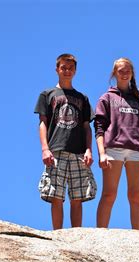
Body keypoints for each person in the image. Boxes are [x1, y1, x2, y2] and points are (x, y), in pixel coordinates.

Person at [34, 53, 96, 230]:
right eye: (63, 68)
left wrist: (89, 150)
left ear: (75, 71)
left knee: (77, 197)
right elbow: (42, 123)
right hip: (56, 150)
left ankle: (76, 234)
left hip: (78, 151)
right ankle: (58, 235)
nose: (67, 71)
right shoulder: (47, 94)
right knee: (56, 196)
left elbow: (86, 127)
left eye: (70, 68)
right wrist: (45, 149)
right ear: (57, 69)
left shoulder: (82, 98)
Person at [94, 57, 139, 230]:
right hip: (114, 149)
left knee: (136, 196)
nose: (124, 73)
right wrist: (101, 153)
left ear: (132, 73)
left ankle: (137, 235)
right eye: (121, 70)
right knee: (109, 194)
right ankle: (100, 234)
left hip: (137, 150)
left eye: (128, 70)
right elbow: (99, 126)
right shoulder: (107, 98)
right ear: (114, 73)